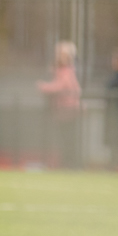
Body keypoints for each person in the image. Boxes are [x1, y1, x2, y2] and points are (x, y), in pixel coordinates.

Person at [38, 40, 83, 169]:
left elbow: (61, 86)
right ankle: (67, 163)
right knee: (64, 139)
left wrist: (44, 87)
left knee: (68, 139)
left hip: (68, 110)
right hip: (62, 110)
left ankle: (70, 164)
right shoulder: (61, 70)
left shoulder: (67, 71)